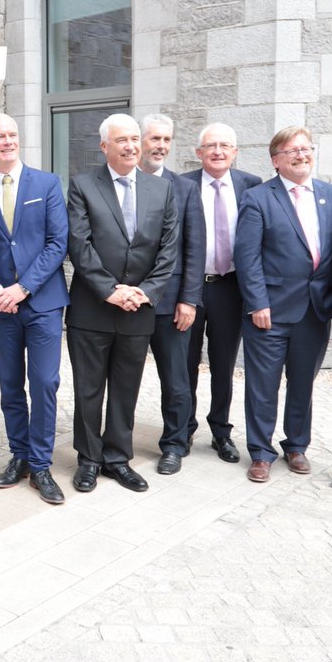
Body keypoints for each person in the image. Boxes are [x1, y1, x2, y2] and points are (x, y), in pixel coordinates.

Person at [66, 113, 177, 494]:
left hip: (138, 310)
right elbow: (79, 244)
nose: (131, 146)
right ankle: (88, 459)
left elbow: (168, 248)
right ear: (104, 146)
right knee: (88, 390)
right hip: (92, 308)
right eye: (121, 140)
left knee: (126, 388)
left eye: (134, 139)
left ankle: (117, 459)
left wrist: (145, 292)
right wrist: (110, 290)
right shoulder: (83, 185)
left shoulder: (161, 190)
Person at [0, 114, 69, 504]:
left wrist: (23, 288)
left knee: (44, 383)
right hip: (2, 308)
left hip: (42, 303)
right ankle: (19, 456)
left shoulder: (47, 183)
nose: (8, 141)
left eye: (12, 135)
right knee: (10, 386)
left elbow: (58, 244)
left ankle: (41, 465)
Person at [234, 125, 332, 483]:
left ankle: (296, 446)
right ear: (275, 161)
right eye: (291, 150)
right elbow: (247, 256)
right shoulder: (258, 198)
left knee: (302, 384)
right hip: (269, 311)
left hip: (315, 310)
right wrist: (257, 303)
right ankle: (261, 452)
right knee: (262, 386)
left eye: (305, 148)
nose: (301, 155)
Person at [183, 123, 261, 464]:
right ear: (198, 153)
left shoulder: (251, 186)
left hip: (230, 287)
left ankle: (221, 431)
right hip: (190, 288)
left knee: (223, 363)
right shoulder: (181, 185)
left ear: (235, 152)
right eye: (210, 146)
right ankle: (183, 428)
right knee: (184, 362)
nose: (217, 151)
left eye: (225, 145)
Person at [138, 114, 204, 475]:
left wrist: (189, 299)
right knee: (124, 377)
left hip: (171, 302)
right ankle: (116, 441)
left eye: (166, 139)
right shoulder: (122, 183)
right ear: (139, 140)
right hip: (128, 301)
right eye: (155, 138)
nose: (161, 146)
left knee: (177, 380)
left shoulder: (185, 188)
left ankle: (175, 444)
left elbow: (195, 247)